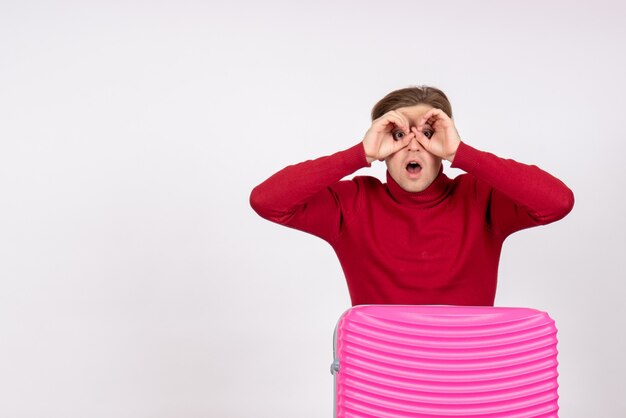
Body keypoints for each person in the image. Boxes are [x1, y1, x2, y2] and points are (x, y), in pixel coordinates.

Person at [249, 86, 574, 307]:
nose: (415, 145)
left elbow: (557, 202)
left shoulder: (478, 198)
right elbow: (268, 201)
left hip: (468, 384)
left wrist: (461, 153)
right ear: (382, 145)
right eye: (399, 135)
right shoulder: (353, 204)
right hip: (379, 386)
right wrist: (359, 154)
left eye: (428, 133)